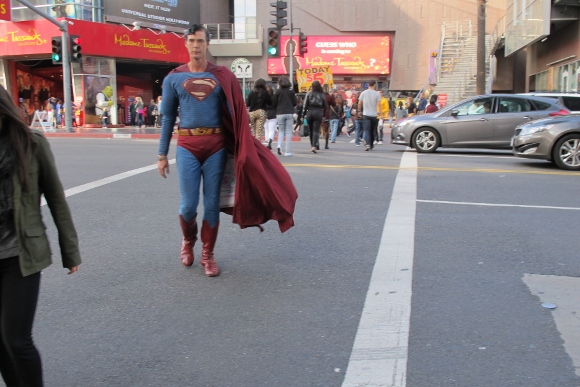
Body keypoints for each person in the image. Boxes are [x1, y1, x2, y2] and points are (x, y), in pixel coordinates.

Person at [157, 24, 297, 277]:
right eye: (191, 40)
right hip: (187, 146)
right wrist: (161, 154)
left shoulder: (221, 75)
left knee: (211, 205)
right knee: (188, 206)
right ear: (186, 44)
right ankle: (188, 241)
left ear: (207, 44)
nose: (196, 45)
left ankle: (208, 255)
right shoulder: (174, 78)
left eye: (200, 40)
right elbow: (167, 117)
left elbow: (236, 112)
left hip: (215, 147)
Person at [0, 85, 81, 387]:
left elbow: (56, 198)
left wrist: (69, 251)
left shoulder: (31, 143)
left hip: (21, 255)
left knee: (16, 340)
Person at [272, 76, 296, 156]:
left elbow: (274, 102)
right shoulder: (291, 91)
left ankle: (279, 145)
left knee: (281, 131)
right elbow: (294, 102)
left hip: (280, 112)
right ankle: (287, 151)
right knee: (289, 132)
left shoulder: (278, 91)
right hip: (289, 112)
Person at [302, 80, 327, 153]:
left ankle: (312, 145)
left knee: (311, 130)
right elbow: (325, 106)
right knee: (316, 130)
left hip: (310, 112)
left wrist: (303, 115)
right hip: (318, 112)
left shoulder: (309, 93)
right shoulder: (322, 94)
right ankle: (314, 145)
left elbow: (305, 105)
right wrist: (324, 114)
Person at [358, 80, 381, 151]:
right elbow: (378, 104)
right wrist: (380, 112)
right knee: (372, 130)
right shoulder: (377, 94)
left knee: (367, 129)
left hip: (366, 114)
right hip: (374, 114)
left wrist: (359, 111)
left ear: (368, 85)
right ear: (374, 85)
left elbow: (359, 103)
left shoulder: (363, 93)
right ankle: (370, 144)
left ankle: (368, 144)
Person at [246, 78, 271, 142]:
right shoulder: (265, 92)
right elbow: (270, 103)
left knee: (254, 132)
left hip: (252, 112)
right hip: (261, 112)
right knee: (259, 132)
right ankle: (258, 148)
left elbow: (248, 103)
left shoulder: (252, 92)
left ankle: (254, 147)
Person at [264, 84, 277, 150]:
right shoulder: (274, 97)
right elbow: (276, 105)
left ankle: (267, 142)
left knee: (266, 129)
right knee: (272, 130)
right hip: (273, 114)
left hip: (265, 113)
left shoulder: (263, 97)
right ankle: (269, 142)